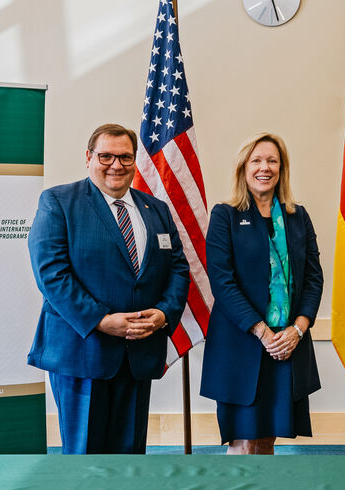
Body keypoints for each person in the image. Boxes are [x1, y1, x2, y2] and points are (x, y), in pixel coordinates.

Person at [27, 123, 190, 454]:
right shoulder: (59, 202)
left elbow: (178, 269)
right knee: (86, 460)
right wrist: (100, 320)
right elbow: (52, 274)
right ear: (89, 157)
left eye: (125, 157)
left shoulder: (156, 209)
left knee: (129, 458)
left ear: (135, 161)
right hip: (83, 350)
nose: (116, 165)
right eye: (106, 156)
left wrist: (162, 314)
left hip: (138, 355)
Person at [200, 132, 324, 455]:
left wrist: (297, 329)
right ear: (243, 167)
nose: (264, 167)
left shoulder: (298, 218)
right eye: (256, 160)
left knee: (268, 438)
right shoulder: (224, 216)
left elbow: (313, 279)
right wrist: (262, 331)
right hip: (242, 347)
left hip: (286, 347)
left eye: (272, 161)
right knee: (243, 442)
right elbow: (222, 282)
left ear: (281, 169)